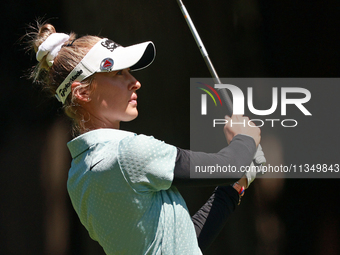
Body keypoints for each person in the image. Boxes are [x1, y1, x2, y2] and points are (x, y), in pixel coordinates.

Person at [26, 22, 265, 255]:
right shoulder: (128, 152)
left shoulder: (77, 176)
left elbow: (180, 245)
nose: (135, 82)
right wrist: (245, 138)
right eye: (119, 73)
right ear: (83, 92)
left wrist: (234, 188)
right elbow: (228, 167)